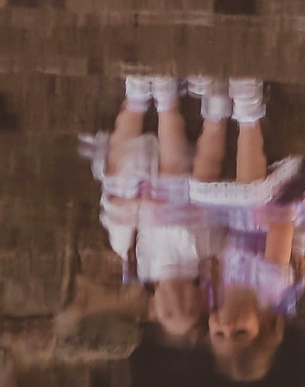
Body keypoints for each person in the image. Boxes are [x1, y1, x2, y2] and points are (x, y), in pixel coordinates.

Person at [192, 78, 305, 383]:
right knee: (250, 195)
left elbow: (217, 239)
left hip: (242, 215)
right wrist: (248, 206)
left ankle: (215, 108)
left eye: (219, 334)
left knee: (199, 194)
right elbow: (281, 221)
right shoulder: (271, 286)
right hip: (293, 204)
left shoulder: (214, 291)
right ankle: (248, 108)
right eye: (240, 332)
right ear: (263, 326)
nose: (226, 324)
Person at [82, 74, 234, 346]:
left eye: (169, 312)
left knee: (117, 177)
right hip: (182, 178)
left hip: (139, 179)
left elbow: (116, 217)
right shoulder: (205, 257)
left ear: (153, 309)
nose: (177, 302)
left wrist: (138, 205)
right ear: (201, 300)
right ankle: (174, 102)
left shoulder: (135, 260)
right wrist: (187, 206)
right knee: (192, 179)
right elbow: (218, 218)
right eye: (188, 309)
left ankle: (136, 99)